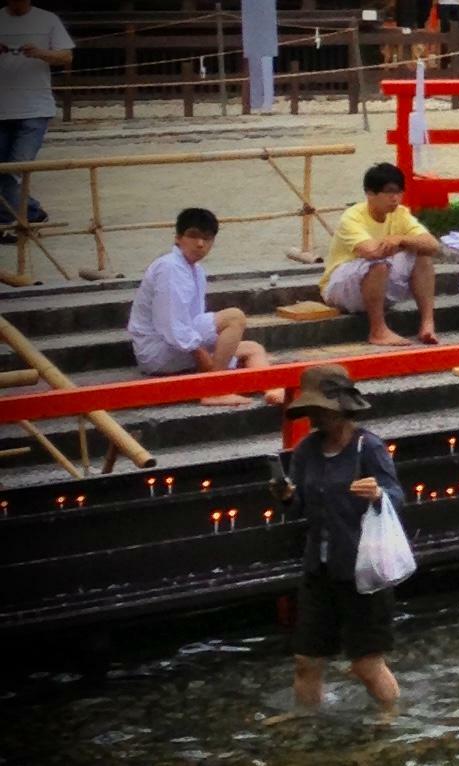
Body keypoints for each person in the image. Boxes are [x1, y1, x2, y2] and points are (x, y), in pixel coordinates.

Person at [274, 364, 403, 710]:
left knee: (365, 664)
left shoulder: (369, 448)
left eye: (322, 411)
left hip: (363, 572)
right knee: (306, 660)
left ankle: (391, 716)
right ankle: (306, 720)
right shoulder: (305, 452)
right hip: (320, 570)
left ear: (342, 409)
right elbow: (299, 506)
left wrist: (377, 494)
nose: (316, 419)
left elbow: (396, 495)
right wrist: (287, 497)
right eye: (313, 412)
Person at [127, 208, 283, 407]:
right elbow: (171, 327)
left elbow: (190, 322)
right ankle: (215, 390)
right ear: (178, 238)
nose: (200, 244)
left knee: (253, 349)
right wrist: (206, 361)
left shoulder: (196, 271)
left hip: (176, 344)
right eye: (193, 236)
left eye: (207, 239)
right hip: (158, 350)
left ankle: (272, 389)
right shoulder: (169, 267)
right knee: (234, 317)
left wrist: (214, 354)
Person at [320, 163, 441, 346]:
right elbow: (370, 251)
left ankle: (427, 323)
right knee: (378, 264)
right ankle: (377, 331)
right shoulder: (352, 217)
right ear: (370, 193)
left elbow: (432, 245)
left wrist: (401, 239)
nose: (395, 198)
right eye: (389, 192)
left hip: (378, 282)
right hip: (341, 288)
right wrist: (400, 242)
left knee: (422, 255)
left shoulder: (401, 214)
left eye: (399, 192)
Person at [0, 0, 73, 242]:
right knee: (3, 171)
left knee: (16, 169)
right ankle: (27, 214)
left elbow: (65, 56)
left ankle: (14, 221)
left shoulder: (47, 19)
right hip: (2, 108)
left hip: (34, 108)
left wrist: (40, 52)